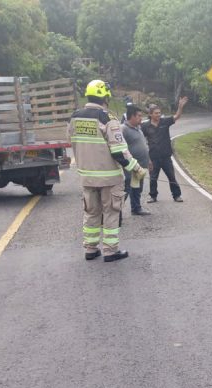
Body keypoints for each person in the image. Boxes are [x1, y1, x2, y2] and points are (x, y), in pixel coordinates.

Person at [68, 79, 147, 262]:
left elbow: (72, 142)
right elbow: (119, 151)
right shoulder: (107, 119)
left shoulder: (75, 117)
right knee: (111, 213)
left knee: (91, 213)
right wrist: (136, 168)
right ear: (105, 96)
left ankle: (90, 249)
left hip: (87, 177)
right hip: (109, 179)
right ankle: (111, 251)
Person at [142, 97, 187, 203]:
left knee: (171, 176)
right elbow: (142, 140)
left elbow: (177, 116)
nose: (158, 115)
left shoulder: (165, 122)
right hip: (153, 157)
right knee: (153, 178)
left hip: (166, 157)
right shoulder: (145, 126)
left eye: (159, 113)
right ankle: (153, 196)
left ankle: (176, 195)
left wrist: (180, 107)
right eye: (156, 113)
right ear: (151, 114)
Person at [122, 104, 151, 215]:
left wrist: (149, 161)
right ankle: (115, 211)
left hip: (140, 167)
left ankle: (136, 208)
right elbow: (121, 149)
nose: (141, 118)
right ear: (132, 116)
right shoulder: (123, 129)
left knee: (137, 188)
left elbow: (144, 145)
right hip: (130, 167)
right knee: (126, 189)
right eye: (139, 116)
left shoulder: (138, 128)